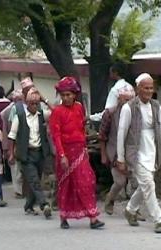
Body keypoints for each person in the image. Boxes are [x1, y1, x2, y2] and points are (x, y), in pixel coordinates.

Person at [117, 73, 161, 233]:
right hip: (136, 152)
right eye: (145, 88)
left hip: (152, 150)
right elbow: (121, 133)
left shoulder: (156, 106)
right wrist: (120, 158)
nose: (149, 91)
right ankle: (158, 219)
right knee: (148, 184)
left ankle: (130, 209)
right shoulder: (129, 108)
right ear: (138, 89)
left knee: (145, 185)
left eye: (151, 88)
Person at [49, 76, 104, 229]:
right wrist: (62, 156)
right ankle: (63, 216)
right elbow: (56, 135)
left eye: (69, 95)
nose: (66, 98)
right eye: (63, 95)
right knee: (66, 185)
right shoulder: (57, 112)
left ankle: (93, 217)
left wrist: (85, 147)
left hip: (80, 152)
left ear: (74, 94)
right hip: (65, 153)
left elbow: (81, 128)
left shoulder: (79, 107)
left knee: (86, 182)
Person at [8, 87, 52, 218]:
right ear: (26, 104)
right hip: (26, 154)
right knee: (34, 180)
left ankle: (28, 205)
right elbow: (12, 136)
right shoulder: (19, 117)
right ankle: (44, 205)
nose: (34, 106)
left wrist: (45, 100)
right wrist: (11, 153)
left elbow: (56, 111)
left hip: (39, 152)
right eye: (32, 103)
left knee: (36, 180)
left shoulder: (42, 114)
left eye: (36, 103)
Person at [99, 90, 136, 215]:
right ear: (119, 99)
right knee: (120, 182)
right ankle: (110, 199)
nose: (128, 103)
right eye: (125, 100)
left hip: (131, 151)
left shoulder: (137, 113)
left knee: (136, 181)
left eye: (130, 100)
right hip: (114, 151)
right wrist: (104, 154)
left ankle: (134, 209)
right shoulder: (110, 113)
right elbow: (102, 135)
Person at [0, 89, 24, 198]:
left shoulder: (27, 109)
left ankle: (24, 189)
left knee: (23, 169)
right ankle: (18, 190)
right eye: (16, 100)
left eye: (20, 100)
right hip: (13, 143)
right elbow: (6, 131)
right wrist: (6, 149)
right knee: (15, 168)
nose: (18, 102)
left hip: (24, 143)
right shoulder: (7, 112)